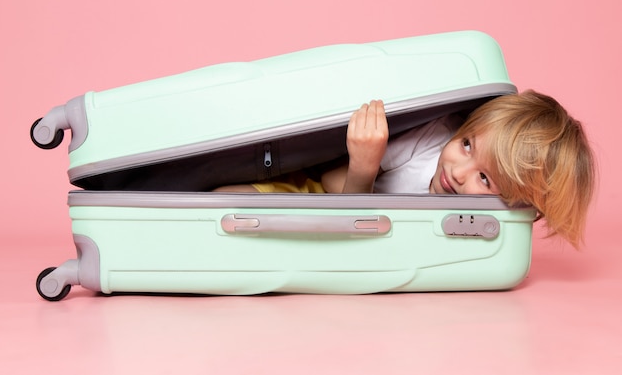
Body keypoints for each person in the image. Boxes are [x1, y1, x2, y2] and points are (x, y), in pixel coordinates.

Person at [215, 90, 596, 249]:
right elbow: (331, 184)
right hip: (312, 192)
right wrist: (364, 167)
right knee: (220, 206)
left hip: (363, 243)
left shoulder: (480, 229)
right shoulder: (432, 138)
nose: (459, 172)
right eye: (467, 145)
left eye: (485, 178)